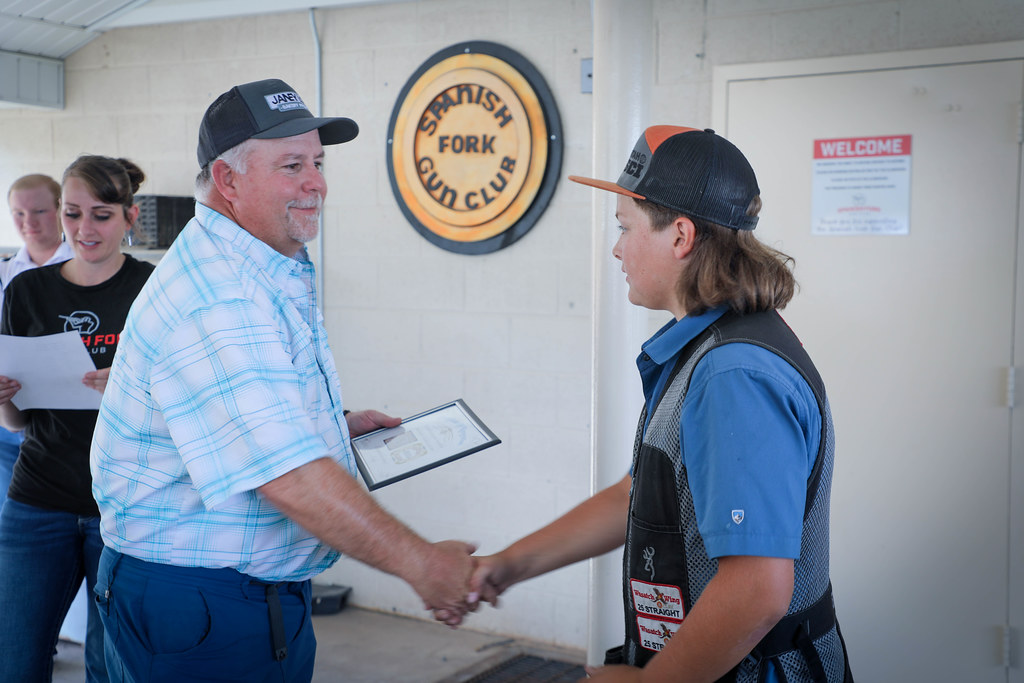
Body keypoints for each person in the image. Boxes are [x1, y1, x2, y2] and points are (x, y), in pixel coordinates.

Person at [90, 78, 477, 683]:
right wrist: (423, 564)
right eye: (292, 165)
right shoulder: (217, 296)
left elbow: (246, 424)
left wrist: (331, 427)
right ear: (228, 179)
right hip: (200, 603)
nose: (316, 182)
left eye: (318, 163)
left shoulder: (259, 265)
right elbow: (289, 476)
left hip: (243, 594)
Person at [463, 127, 853, 682]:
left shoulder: (733, 375)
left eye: (625, 227)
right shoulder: (705, 346)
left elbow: (757, 589)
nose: (617, 248)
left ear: (681, 236)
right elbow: (639, 495)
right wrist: (506, 566)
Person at [0, 156, 155, 683]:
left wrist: (132, 389)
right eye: (72, 213)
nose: (84, 229)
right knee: (15, 660)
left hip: (123, 503)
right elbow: (17, 422)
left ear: (129, 217)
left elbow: (186, 408)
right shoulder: (27, 290)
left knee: (108, 665)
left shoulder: (153, 291)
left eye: (102, 215)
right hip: (38, 496)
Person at [0, 174, 74, 496]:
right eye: (19, 213)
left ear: (60, 209)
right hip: (8, 414)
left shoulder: (84, 268)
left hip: (64, 419)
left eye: (39, 211)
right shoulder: (4, 273)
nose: (28, 222)